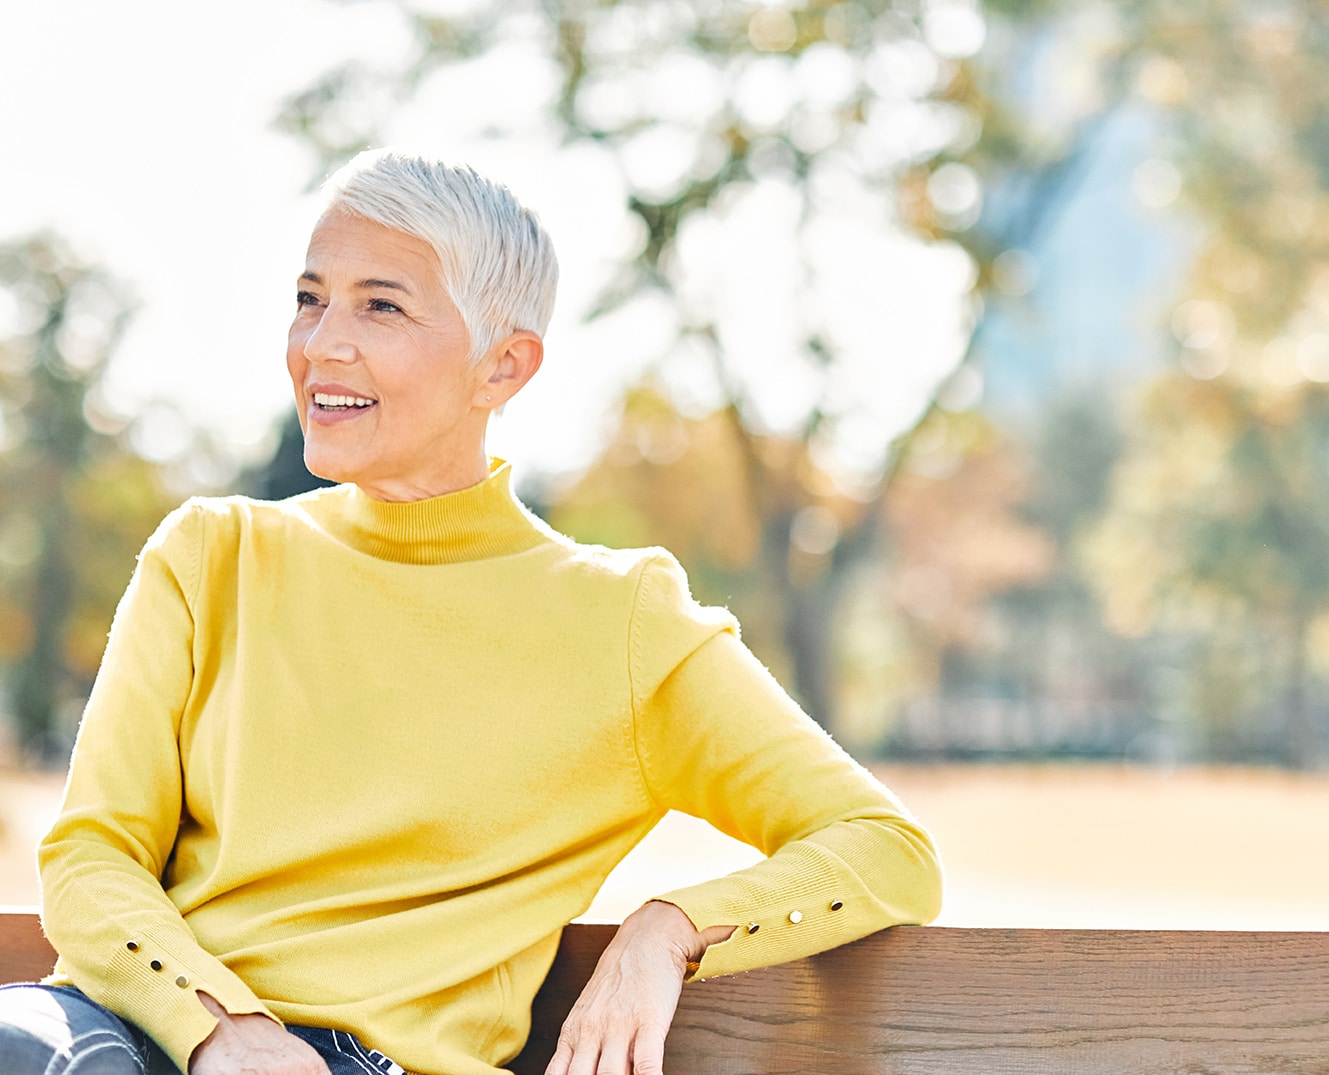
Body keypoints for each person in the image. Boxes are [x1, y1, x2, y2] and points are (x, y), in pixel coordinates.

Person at [0, 148, 942, 1075]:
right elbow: (92, 854)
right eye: (309, 297)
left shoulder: (620, 622)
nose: (323, 341)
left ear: (502, 368)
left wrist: (670, 930)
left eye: (381, 305)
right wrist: (223, 1031)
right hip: (144, 1032)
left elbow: (885, 850)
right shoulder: (209, 555)